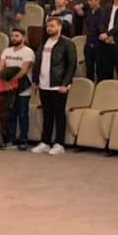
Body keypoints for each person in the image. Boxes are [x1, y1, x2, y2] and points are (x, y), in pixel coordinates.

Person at [30, 17, 76, 156]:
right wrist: (35, 80)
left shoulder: (67, 43)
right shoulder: (44, 42)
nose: (49, 28)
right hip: (43, 84)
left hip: (58, 85)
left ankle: (59, 143)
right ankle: (45, 142)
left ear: (59, 27)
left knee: (59, 114)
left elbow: (71, 65)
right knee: (47, 114)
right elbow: (38, 62)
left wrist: (65, 83)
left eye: (52, 26)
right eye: (48, 26)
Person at [0, 27, 35, 151]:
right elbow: (0, 68)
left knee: (23, 114)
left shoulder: (28, 52)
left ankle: (23, 140)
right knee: (11, 114)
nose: (14, 38)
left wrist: (11, 80)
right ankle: (11, 139)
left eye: (17, 36)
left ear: (23, 37)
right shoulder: (6, 51)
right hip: (9, 87)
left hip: (23, 86)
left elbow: (24, 70)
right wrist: (4, 79)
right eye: (12, 36)